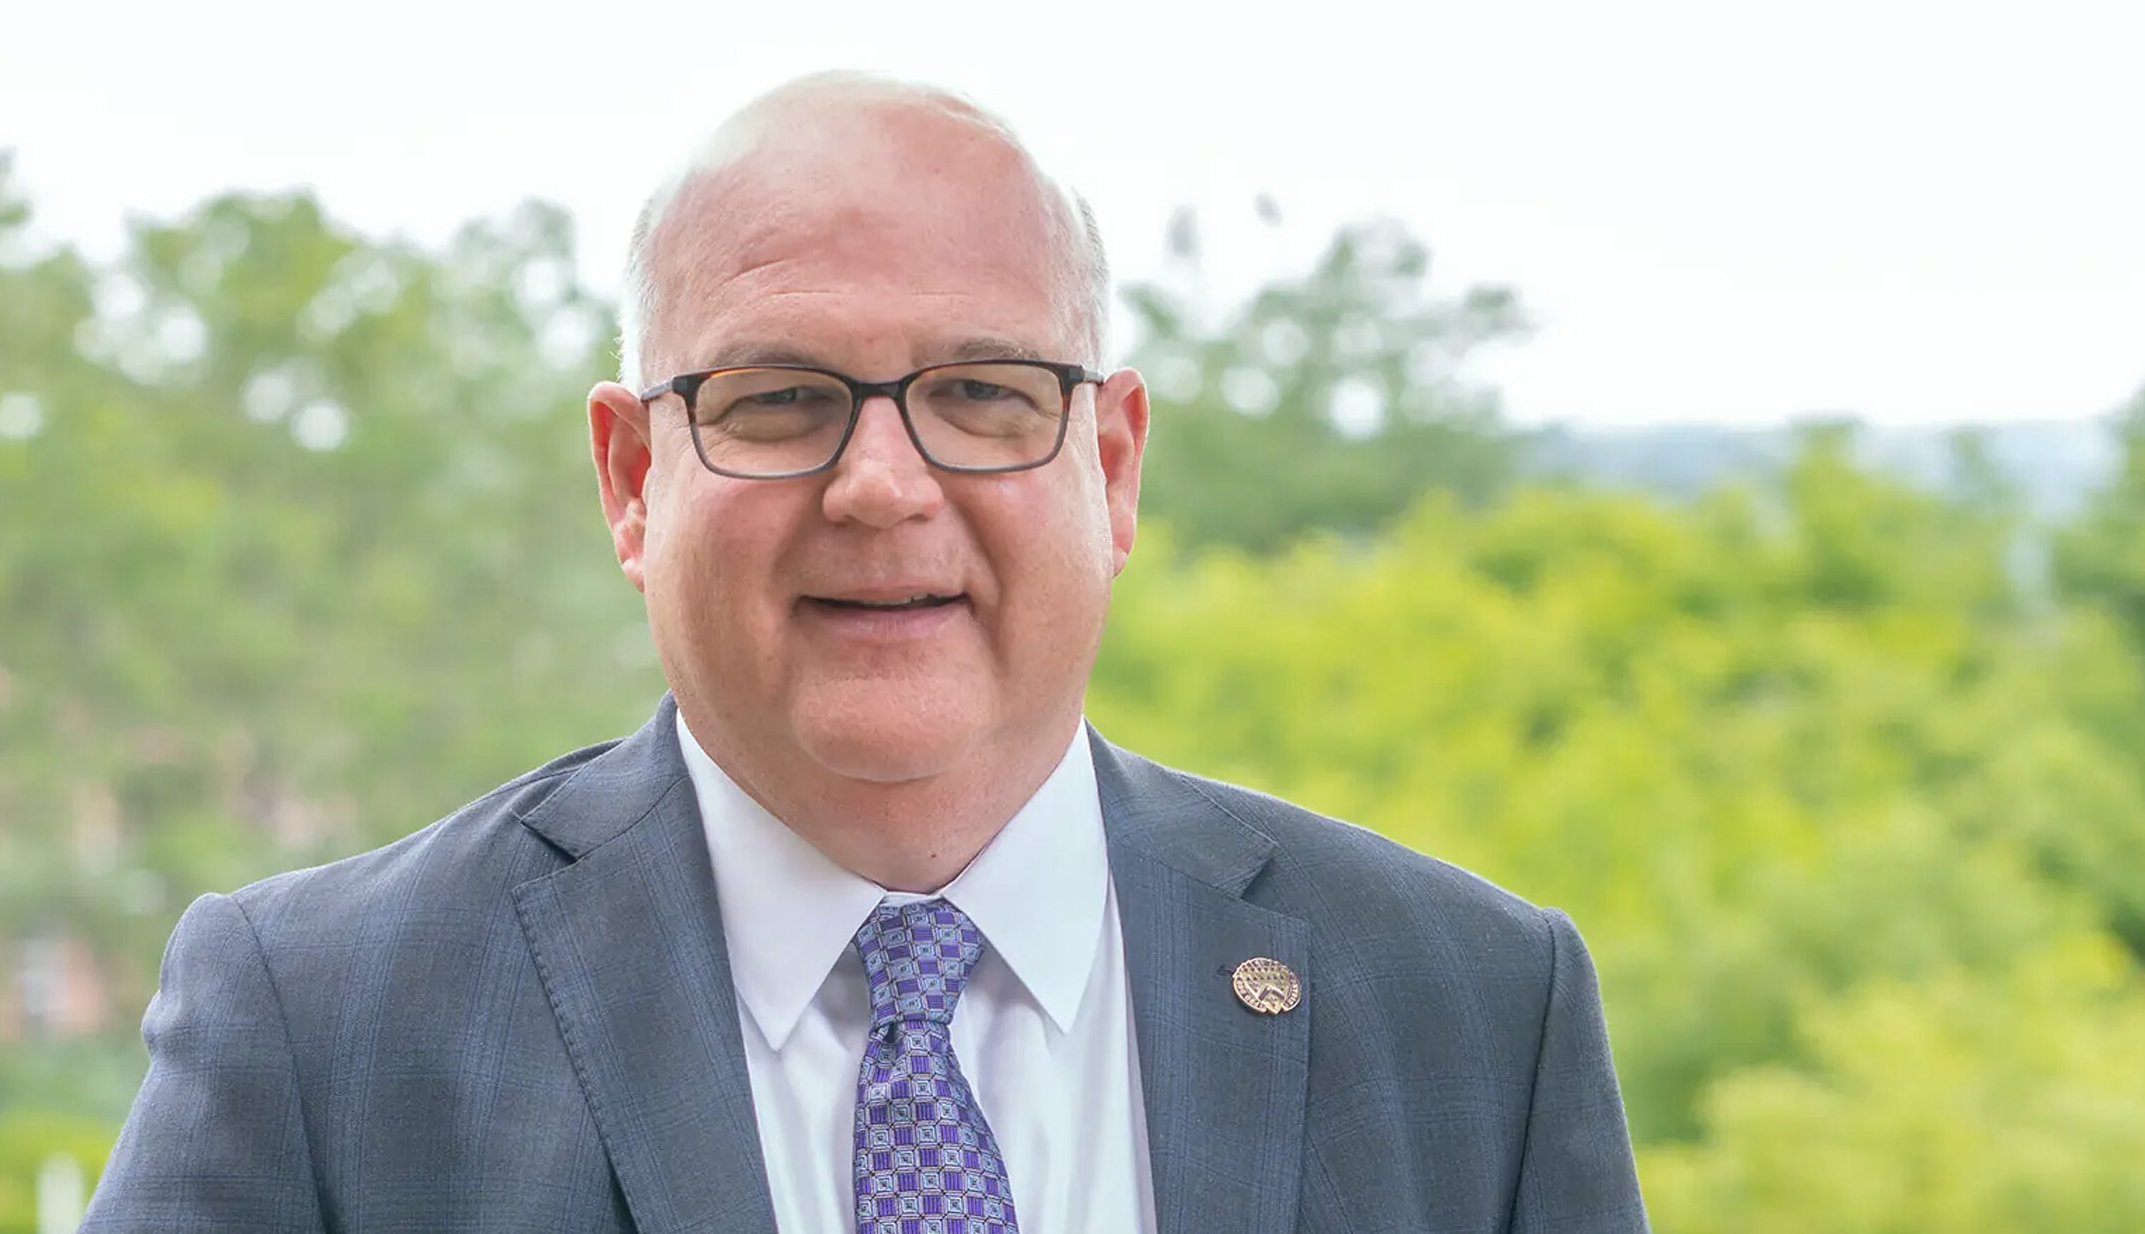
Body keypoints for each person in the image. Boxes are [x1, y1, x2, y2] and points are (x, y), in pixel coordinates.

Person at [81, 72, 1650, 1234]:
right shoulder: (327, 1026)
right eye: (777, 400)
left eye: (984, 394)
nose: (884, 485)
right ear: (634, 481)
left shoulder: (1469, 1012)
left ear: (1109, 466)